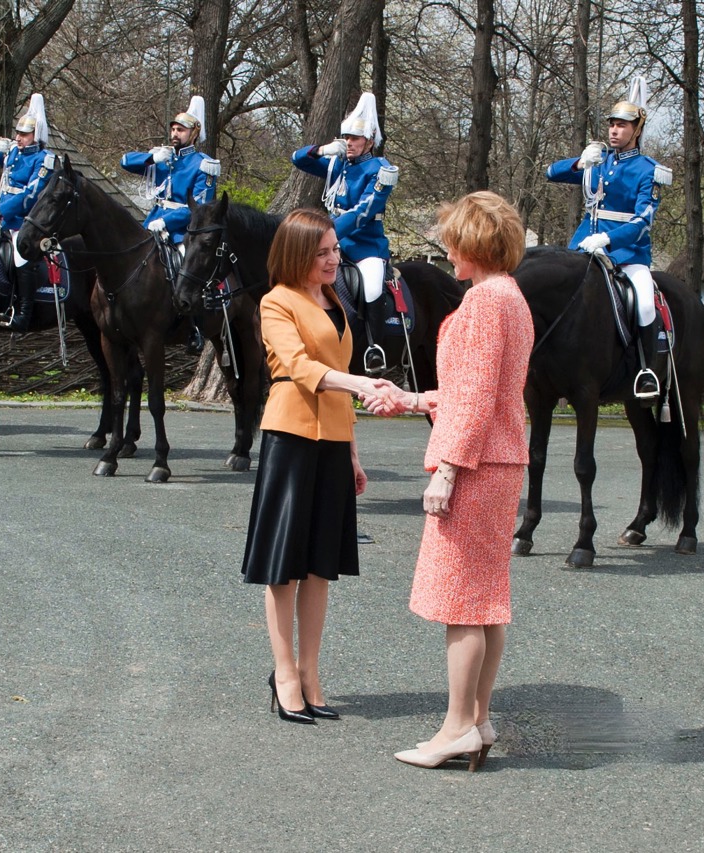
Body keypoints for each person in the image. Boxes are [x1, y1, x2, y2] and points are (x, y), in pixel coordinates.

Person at [367, 191, 532, 770]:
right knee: (484, 603)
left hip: (478, 465)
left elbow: (480, 398)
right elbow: (472, 393)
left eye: (452, 240)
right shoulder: (508, 296)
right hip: (497, 459)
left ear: (473, 243)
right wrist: (410, 398)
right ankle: (478, 720)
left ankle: (458, 726)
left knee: (464, 603)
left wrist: (449, 471)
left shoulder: (488, 301)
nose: (446, 249)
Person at [241, 208, 400, 725]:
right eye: (323, 252)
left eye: (335, 249)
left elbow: (341, 373)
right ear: (297, 254)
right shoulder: (275, 301)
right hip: (290, 436)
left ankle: (310, 672)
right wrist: (360, 385)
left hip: (332, 439)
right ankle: (283, 672)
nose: (334, 259)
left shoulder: (335, 299)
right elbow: (298, 366)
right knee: (283, 566)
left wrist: (352, 452)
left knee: (319, 567)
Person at [546, 76, 672, 400]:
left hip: (627, 253)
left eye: (623, 125)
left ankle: (646, 371)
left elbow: (643, 221)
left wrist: (608, 239)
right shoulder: (598, 162)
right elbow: (551, 173)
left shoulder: (649, 170)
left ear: (637, 130)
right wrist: (579, 161)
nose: (615, 130)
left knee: (644, 303)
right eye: (612, 124)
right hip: (582, 248)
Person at [291, 92, 400, 372]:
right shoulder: (337, 164)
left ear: (370, 141)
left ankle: (374, 349)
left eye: (355, 138)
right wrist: (322, 150)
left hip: (365, 245)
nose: (349, 143)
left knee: (373, 286)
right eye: (346, 137)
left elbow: (364, 211)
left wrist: (325, 232)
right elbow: (298, 159)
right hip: (331, 243)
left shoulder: (381, 169)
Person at [120, 95, 220, 354]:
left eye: (181, 130)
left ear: (194, 133)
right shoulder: (164, 159)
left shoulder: (204, 165)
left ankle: (194, 327)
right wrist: (152, 159)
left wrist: (166, 221)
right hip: (151, 224)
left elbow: (198, 207)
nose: (175, 134)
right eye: (173, 129)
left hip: (181, 231)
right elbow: (124, 161)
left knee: (188, 267)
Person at [0, 93, 55, 333]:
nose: (18, 138)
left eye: (24, 134)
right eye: (17, 133)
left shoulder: (44, 160)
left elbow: (29, 195)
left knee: (20, 257)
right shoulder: (12, 153)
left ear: (36, 135)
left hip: (25, 221)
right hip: (1, 218)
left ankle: (23, 312)